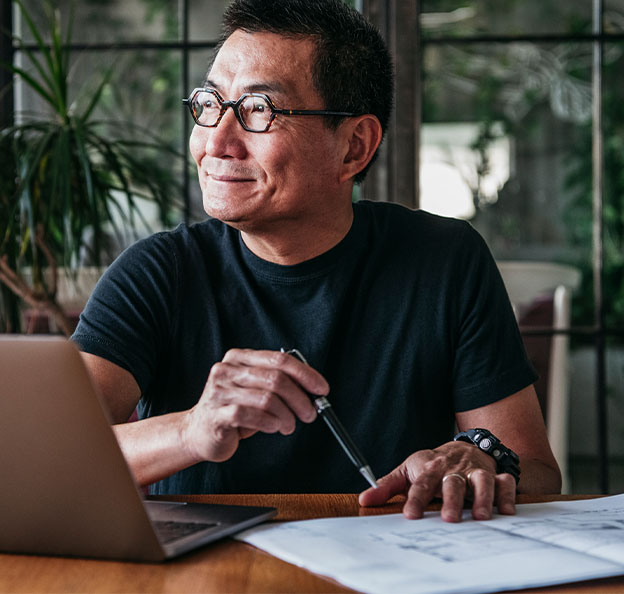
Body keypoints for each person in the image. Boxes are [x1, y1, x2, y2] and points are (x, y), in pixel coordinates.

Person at [71, 0, 561, 523]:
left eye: (259, 110)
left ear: (354, 146)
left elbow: (535, 471)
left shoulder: (444, 260)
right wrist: (192, 430)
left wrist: (481, 462)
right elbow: (53, 455)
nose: (216, 142)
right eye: (210, 103)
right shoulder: (157, 273)